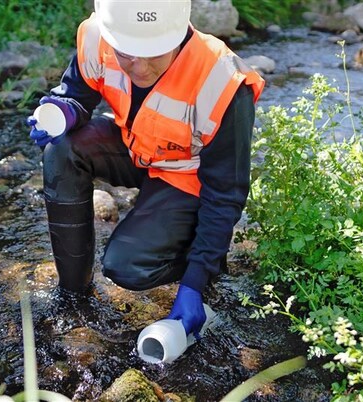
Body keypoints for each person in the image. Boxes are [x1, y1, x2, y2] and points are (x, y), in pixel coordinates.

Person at [26, 0, 264, 338]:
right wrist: (64, 110)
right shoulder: (100, 36)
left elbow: (225, 193)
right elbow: (76, 93)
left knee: (125, 267)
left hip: (187, 175)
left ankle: (199, 257)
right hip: (137, 146)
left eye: (154, 55)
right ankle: (73, 295)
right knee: (61, 149)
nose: (138, 68)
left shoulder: (222, 80)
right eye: (126, 54)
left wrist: (195, 281)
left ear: (177, 35)